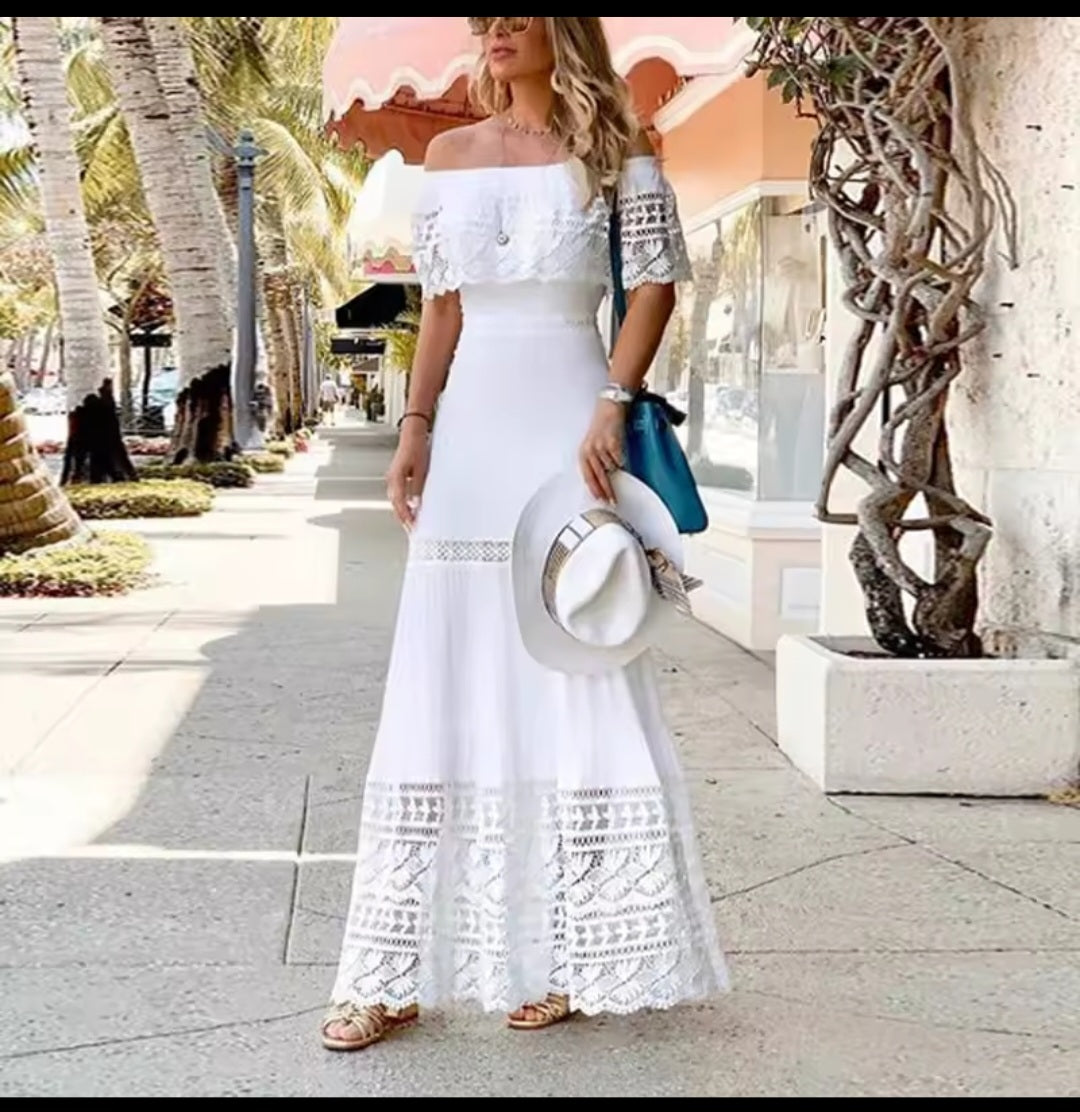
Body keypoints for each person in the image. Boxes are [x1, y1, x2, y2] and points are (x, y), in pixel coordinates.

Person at [322, 16, 728, 1052]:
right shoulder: (446, 157)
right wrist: (415, 428)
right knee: (441, 666)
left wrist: (609, 400)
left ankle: (562, 950)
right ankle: (389, 966)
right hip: (470, 436)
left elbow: (656, 287)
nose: (496, 33)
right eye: (484, 21)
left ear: (561, 32)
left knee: (571, 660)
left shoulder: (620, 154)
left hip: (566, 420)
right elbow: (444, 312)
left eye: (517, 18)